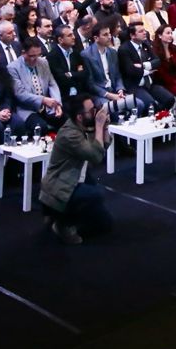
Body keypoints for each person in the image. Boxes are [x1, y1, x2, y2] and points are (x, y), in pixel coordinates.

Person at [38, 94, 111, 245]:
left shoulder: (83, 126)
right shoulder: (69, 134)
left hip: (77, 177)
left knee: (105, 224)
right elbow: (96, 156)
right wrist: (99, 126)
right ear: (79, 117)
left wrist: (103, 128)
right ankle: (62, 224)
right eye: (91, 110)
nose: (96, 112)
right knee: (96, 194)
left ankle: (56, 215)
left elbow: (102, 146)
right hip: (60, 186)